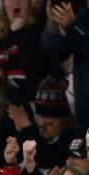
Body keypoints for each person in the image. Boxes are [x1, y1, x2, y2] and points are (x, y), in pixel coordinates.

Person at [41, 0, 89, 131]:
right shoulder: (80, 18)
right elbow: (57, 53)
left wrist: (72, 26)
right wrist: (53, 24)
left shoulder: (75, 22)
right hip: (84, 117)